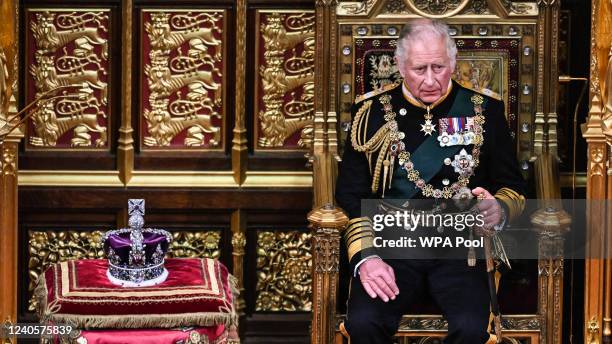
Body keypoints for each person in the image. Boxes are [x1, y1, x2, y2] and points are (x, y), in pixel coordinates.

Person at [335, 18, 526, 344]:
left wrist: (499, 208)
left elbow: (513, 186)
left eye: (438, 67)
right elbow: (350, 193)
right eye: (418, 69)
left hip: (459, 249)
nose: (429, 80)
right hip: (391, 246)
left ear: (453, 63)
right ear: (399, 65)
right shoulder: (371, 113)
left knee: (471, 329)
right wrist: (367, 258)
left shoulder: (485, 110)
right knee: (365, 324)